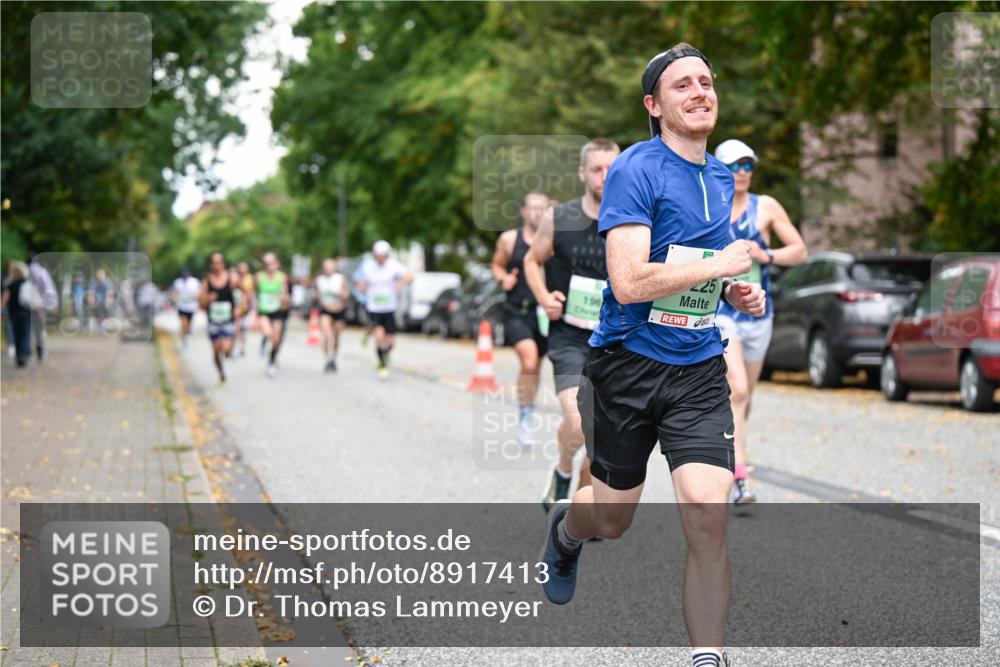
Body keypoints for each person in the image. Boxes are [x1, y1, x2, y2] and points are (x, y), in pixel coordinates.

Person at [538, 44, 766, 667]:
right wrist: (722, 265)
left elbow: (697, 272)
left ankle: (707, 659)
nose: (699, 91)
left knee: (708, 518)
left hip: (697, 368)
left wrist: (733, 291)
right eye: (682, 85)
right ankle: (565, 530)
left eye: (707, 81)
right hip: (627, 366)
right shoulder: (637, 169)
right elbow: (629, 283)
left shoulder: (720, 179)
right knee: (610, 520)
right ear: (654, 105)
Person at [524, 138, 620, 511]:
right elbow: (533, 261)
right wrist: (544, 297)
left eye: (612, 169)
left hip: (617, 340)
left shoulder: (634, 219)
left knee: (605, 435)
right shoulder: (560, 217)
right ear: (583, 173)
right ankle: (563, 469)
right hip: (569, 338)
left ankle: (582, 503)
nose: (604, 176)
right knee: (581, 423)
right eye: (597, 169)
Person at [713, 139, 807, 505]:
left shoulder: (764, 207)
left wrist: (767, 255)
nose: (741, 173)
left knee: (745, 397)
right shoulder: (711, 208)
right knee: (736, 389)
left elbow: (799, 250)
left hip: (759, 315)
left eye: (747, 166)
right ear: (720, 169)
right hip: (722, 312)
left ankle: (732, 453)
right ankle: (740, 477)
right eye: (734, 166)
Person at [491, 191, 550, 444]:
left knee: (536, 366)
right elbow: (496, 264)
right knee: (528, 361)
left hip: (546, 313)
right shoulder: (509, 239)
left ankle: (527, 409)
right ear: (524, 211)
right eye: (533, 207)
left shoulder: (555, 240)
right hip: (517, 310)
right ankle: (525, 418)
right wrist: (503, 278)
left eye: (542, 208)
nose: (537, 212)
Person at [354, 241, 412, 379]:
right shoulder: (367, 266)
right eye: (378, 255)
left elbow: (409, 275)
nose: (381, 258)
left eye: (383, 255)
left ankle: (384, 354)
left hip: (389, 307)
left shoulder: (393, 265)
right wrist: (361, 287)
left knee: (391, 342)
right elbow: (358, 282)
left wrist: (401, 283)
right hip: (374, 307)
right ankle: (382, 365)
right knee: (379, 335)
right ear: (375, 255)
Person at [200, 252, 237, 384]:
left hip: (228, 320)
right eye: (214, 263)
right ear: (211, 265)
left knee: (226, 349)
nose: (216, 265)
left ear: (223, 263)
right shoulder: (207, 281)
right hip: (213, 321)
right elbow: (202, 304)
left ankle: (229, 352)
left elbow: (244, 293)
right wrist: (208, 299)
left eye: (219, 262)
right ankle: (221, 373)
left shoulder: (231, 279)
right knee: (216, 351)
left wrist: (240, 308)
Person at [255, 252, 291, 378]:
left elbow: (285, 293)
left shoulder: (282, 277)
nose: (269, 266)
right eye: (266, 263)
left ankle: (271, 362)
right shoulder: (259, 276)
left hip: (277, 311)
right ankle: (264, 343)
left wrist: (284, 298)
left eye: (271, 263)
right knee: (268, 333)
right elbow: (254, 294)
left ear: (277, 263)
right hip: (264, 311)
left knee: (276, 339)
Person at [314, 258, 350, 372]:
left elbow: (346, 295)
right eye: (326, 266)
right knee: (327, 334)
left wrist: (339, 293)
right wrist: (317, 297)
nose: (328, 268)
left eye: (331, 266)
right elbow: (315, 295)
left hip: (339, 310)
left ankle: (333, 356)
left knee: (336, 337)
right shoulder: (319, 280)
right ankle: (327, 359)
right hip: (325, 310)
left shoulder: (340, 279)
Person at [1, 261, 34, 368]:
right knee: (25, 334)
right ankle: (24, 355)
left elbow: (5, 299)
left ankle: (19, 356)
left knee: (16, 335)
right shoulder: (27, 282)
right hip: (25, 312)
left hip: (13, 313)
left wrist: (1, 309)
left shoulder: (10, 284)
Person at [27, 253, 57, 361]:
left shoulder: (23, 270)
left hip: (24, 305)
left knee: (27, 329)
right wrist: (53, 304)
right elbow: (48, 288)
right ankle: (40, 352)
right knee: (39, 329)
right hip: (38, 305)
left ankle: (26, 351)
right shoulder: (41, 271)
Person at [171, 267, 200, 351]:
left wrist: (195, 296)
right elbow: (174, 293)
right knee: (183, 323)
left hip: (191, 307)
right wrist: (174, 298)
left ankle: (187, 335)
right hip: (181, 306)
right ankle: (184, 340)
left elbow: (199, 293)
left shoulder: (194, 282)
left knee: (189, 325)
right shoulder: (177, 282)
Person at [236, 261, 255, 357]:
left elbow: (252, 292)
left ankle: (242, 348)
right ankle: (236, 346)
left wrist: (251, 305)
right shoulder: (235, 277)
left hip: (247, 308)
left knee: (244, 329)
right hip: (236, 308)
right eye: (241, 268)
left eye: (244, 268)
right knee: (237, 327)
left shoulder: (250, 278)